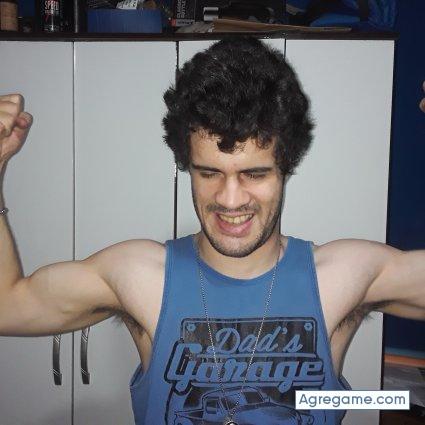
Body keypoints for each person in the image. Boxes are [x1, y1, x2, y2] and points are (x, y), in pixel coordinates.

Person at [0, 37, 424, 425]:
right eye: (209, 173)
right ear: (187, 165)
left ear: (286, 168)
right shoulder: (139, 275)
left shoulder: (342, 276)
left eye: (254, 174)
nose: (230, 199)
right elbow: (9, 306)